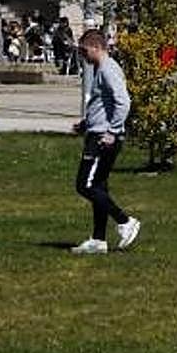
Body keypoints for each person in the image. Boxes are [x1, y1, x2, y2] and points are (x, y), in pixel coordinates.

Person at [70, 29, 141, 255]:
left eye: (83, 51)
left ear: (95, 47)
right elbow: (103, 105)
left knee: (85, 185)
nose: (82, 56)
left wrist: (112, 131)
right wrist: (85, 123)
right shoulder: (101, 70)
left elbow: (123, 102)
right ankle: (98, 240)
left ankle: (125, 221)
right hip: (96, 132)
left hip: (103, 138)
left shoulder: (109, 70)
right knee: (99, 187)